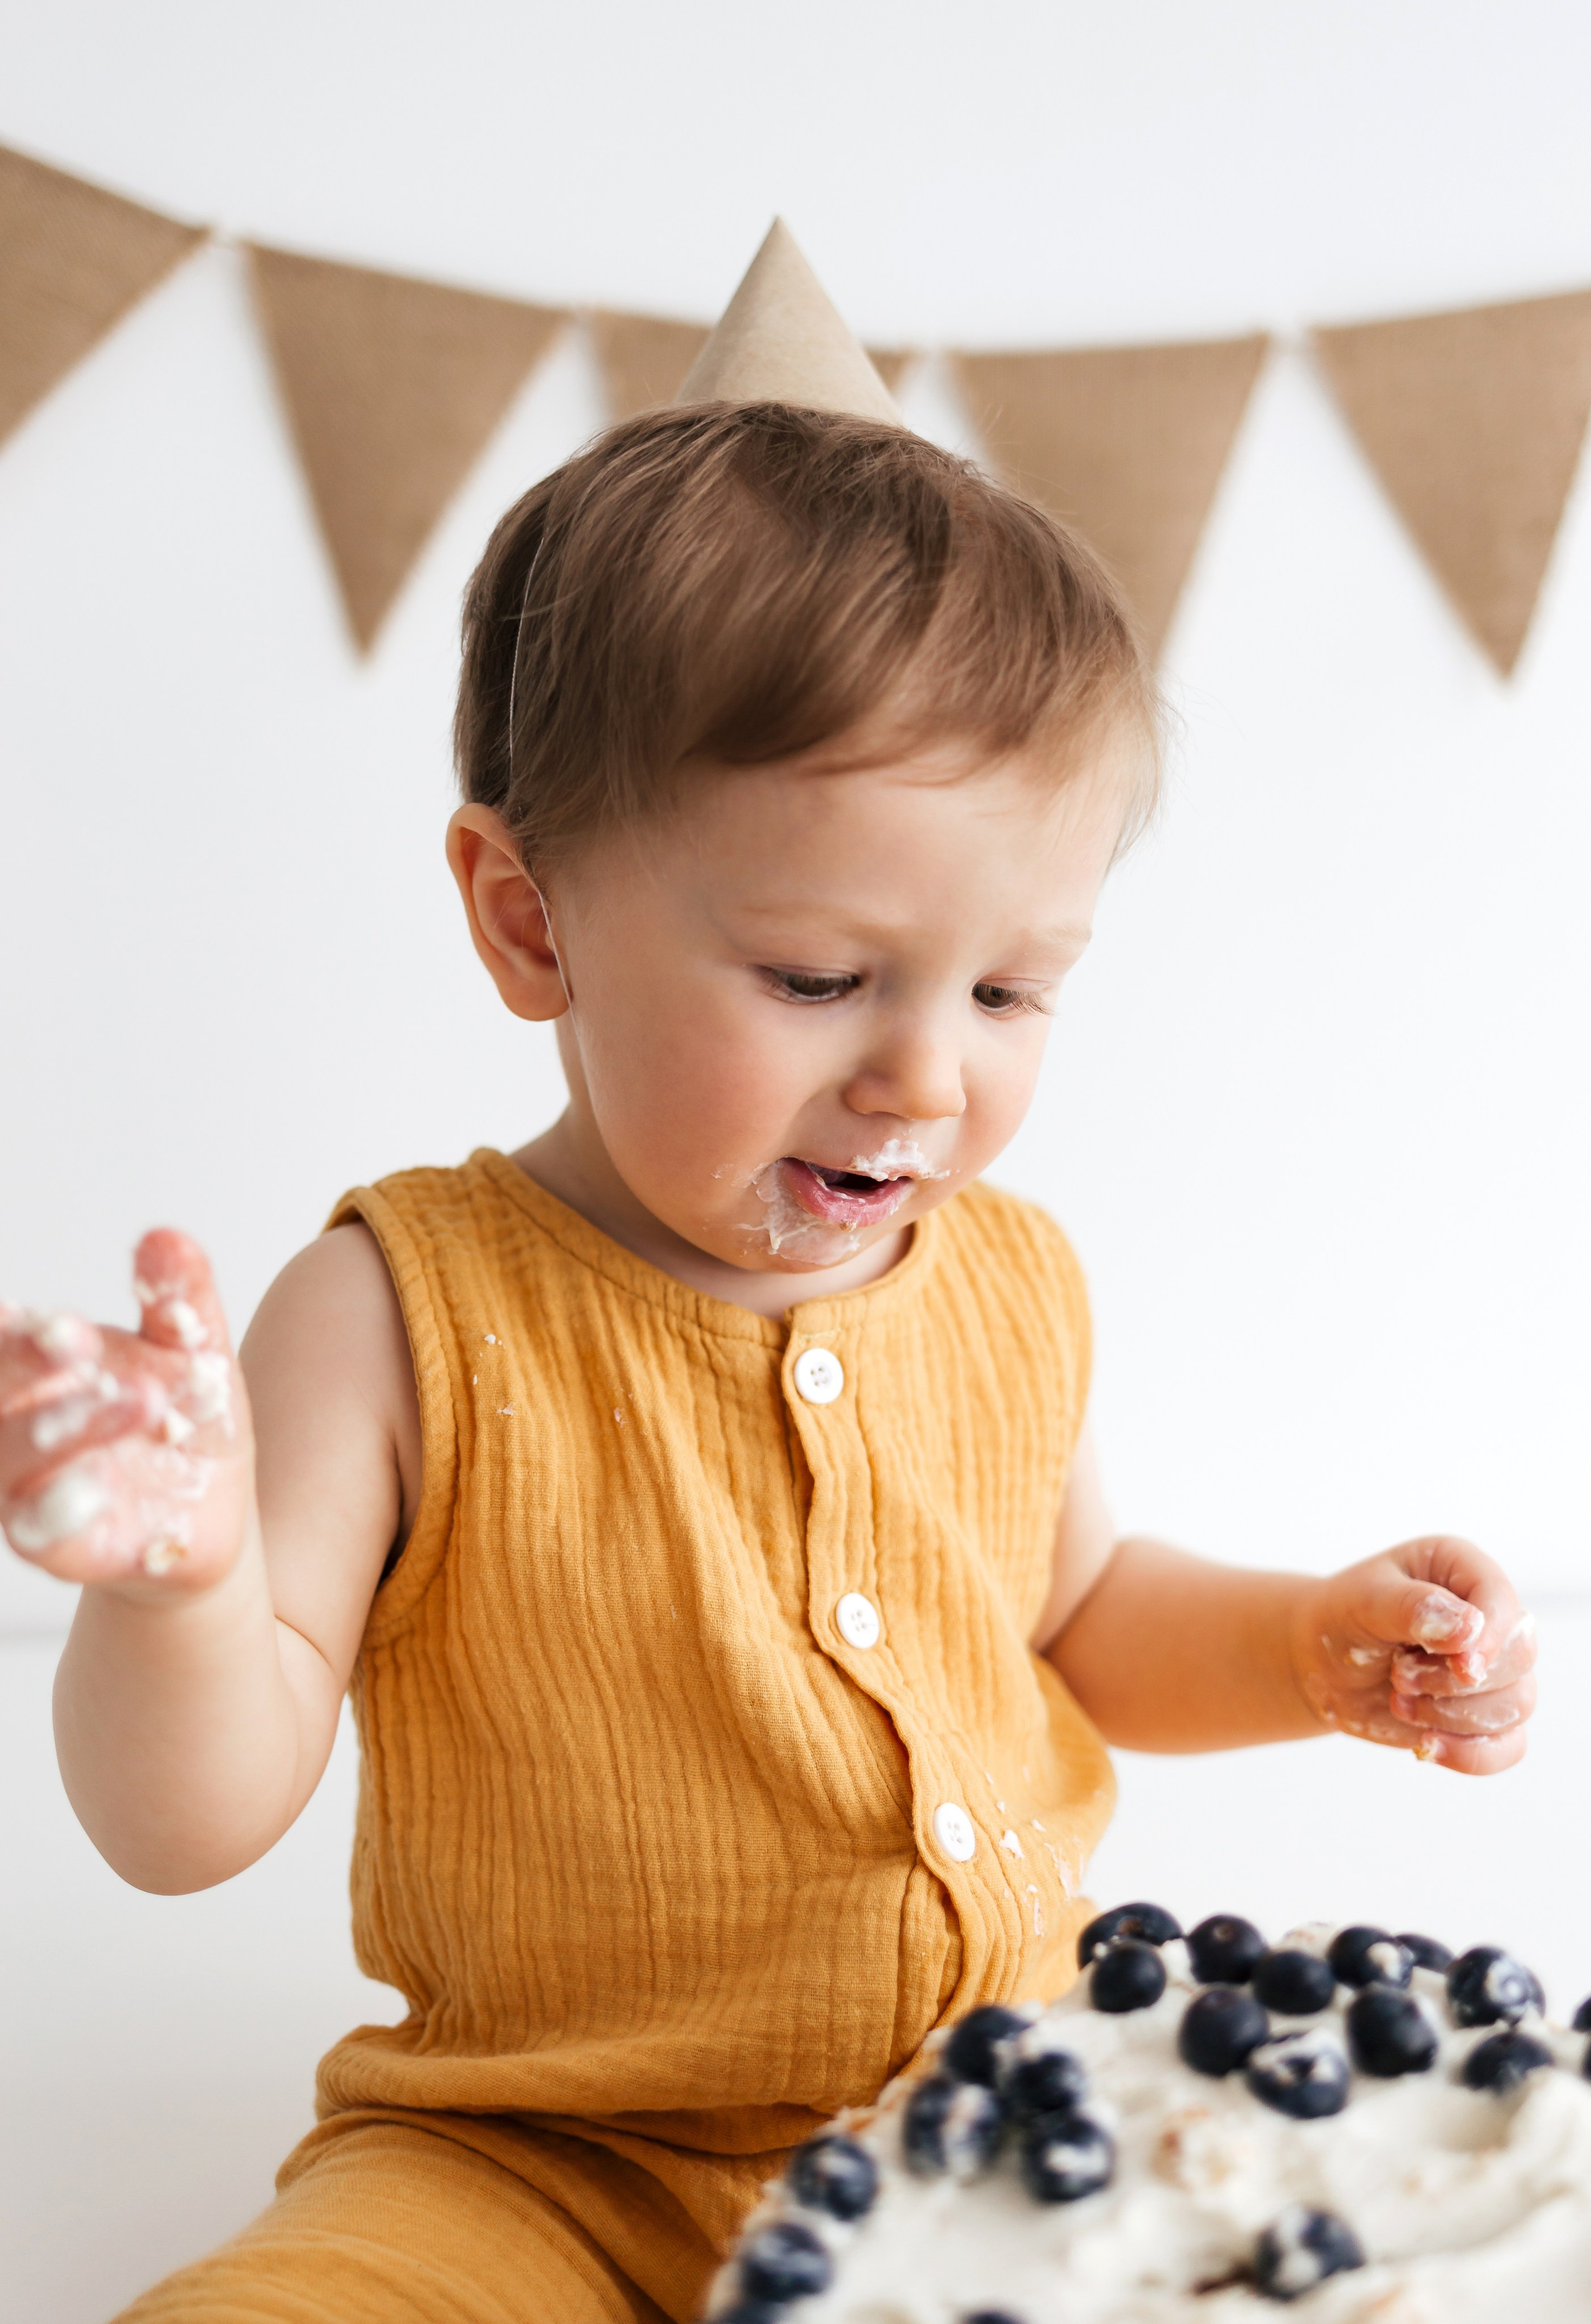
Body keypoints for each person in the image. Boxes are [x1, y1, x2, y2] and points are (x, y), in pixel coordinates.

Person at [0, 229, 1536, 2324]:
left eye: (1012, 987)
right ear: (529, 919)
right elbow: (187, 1823)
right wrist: (172, 1589)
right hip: (533, 2168)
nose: (923, 1072)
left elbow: (1079, 1623)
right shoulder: (397, 1309)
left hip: (993, 2129)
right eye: (821, 976)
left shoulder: (1006, 1282)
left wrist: (1308, 1644)